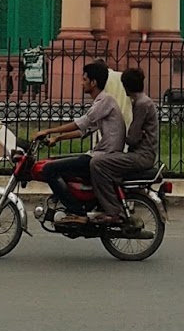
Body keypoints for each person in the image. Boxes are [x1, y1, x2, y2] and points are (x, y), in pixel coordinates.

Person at [35, 61, 125, 222]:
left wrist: (49, 130)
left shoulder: (105, 101)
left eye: (84, 79)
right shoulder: (102, 102)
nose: (81, 83)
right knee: (58, 163)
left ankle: (76, 211)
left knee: (49, 169)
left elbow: (81, 123)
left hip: (103, 155)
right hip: (100, 154)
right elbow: (84, 130)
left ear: (93, 82)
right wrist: (57, 139)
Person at [89, 66, 159, 230]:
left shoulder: (141, 104)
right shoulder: (143, 101)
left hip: (141, 156)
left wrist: (121, 135)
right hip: (143, 154)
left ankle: (113, 211)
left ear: (126, 86)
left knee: (97, 163)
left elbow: (133, 138)